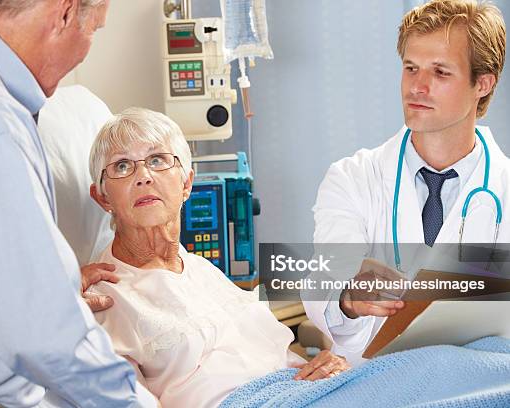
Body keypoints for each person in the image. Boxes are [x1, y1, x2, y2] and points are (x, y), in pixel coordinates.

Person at [0, 1, 157, 406]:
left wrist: (58, 286)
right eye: (94, 29)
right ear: (66, 14)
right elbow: (41, 331)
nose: (145, 175)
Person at [86, 107, 351, 408]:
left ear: (186, 184)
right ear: (103, 197)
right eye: (122, 166)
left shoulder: (201, 270)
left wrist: (326, 369)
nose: (143, 176)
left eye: (157, 160)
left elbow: (272, 355)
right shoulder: (105, 299)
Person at [304, 0, 509, 366]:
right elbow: (325, 276)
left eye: (440, 72)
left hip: (481, 378)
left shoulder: (504, 188)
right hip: (375, 382)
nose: (418, 86)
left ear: (483, 83)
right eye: (411, 68)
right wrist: (348, 296)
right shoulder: (352, 179)